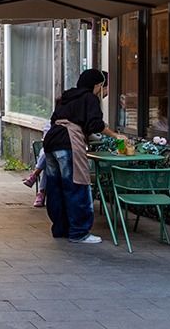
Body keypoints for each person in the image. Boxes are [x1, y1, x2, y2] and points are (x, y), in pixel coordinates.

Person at [41, 68, 109, 244]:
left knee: (55, 188)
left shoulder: (66, 97)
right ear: (98, 85)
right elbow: (95, 124)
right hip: (68, 143)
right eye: (103, 87)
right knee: (76, 186)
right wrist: (116, 135)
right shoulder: (90, 98)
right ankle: (79, 232)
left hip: (51, 142)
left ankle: (60, 228)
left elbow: (54, 119)